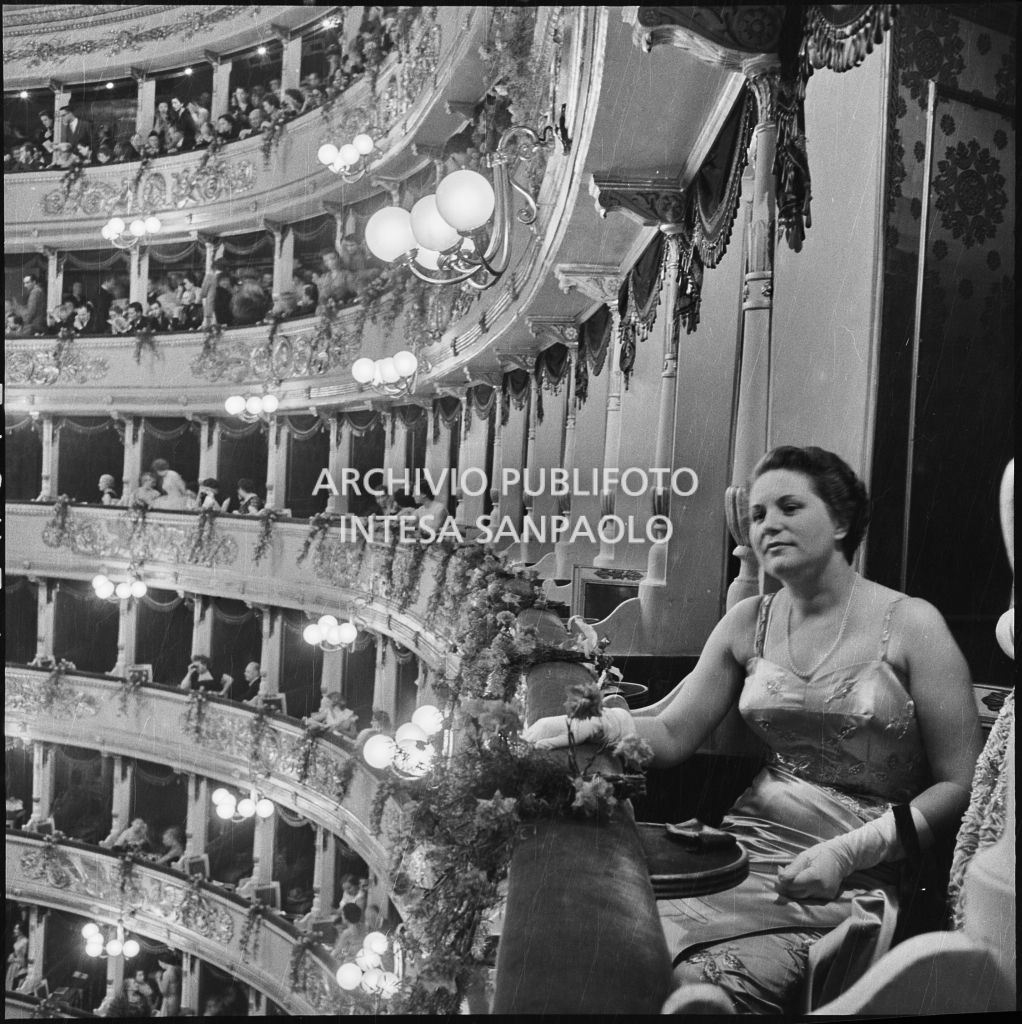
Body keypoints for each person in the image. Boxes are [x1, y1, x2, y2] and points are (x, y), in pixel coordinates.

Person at [523, 445, 983, 1014]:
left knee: (700, 989)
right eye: (759, 515)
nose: (770, 525)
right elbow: (672, 730)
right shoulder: (748, 620)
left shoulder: (914, 624)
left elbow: (960, 783)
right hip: (737, 855)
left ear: (840, 522)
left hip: (850, 874)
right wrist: (598, 725)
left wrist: (851, 851)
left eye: (790, 507)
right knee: (611, 950)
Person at [5, 923, 29, 991]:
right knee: (8, 981)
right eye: (15, 928)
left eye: (16, 929)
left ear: (21, 931)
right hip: (13, 964)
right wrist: (12, 955)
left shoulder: (25, 941)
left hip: (19, 965)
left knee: (13, 983)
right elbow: (17, 952)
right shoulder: (17, 939)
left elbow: (24, 957)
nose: (14, 930)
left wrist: (13, 960)